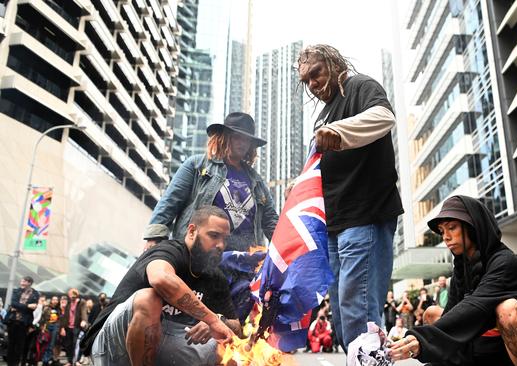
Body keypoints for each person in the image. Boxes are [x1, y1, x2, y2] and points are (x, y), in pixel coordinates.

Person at [297, 44, 403, 351]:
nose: (313, 84)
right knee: (344, 318)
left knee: (361, 312)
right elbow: (318, 166)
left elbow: (384, 117)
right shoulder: (323, 115)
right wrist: (300, 184)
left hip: (365, 216)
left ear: (334, 63)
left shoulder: (359, 86)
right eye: (306, 80)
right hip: (334, 225)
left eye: (315, 73)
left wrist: (339, 131)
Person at [388, 196, 517, 365]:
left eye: (452, 227)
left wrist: (422, 340)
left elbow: (475, 307)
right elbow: (452, 314)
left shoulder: (504, 261)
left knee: (507, 310)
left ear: (473, 227)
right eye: (442, 231)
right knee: (433, 313)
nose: (445, 237)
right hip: (493, 348)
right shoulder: (461, 267)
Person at [143, 112, 278, 322]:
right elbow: (170, 203)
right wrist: (155, 240)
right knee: (193, 321)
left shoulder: (257, 182)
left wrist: (288, 253)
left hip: (243, 266)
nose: (242, 143)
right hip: (201, 261)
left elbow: (272, 223)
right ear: (223, 136)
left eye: (246, 139)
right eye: (237, 136)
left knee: (234, 329)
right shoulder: (198, 166)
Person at [81, 206, 237, 365]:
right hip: (113, 346)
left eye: (225, 239)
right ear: (192, 231)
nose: (220, 245)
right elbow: (160, 278)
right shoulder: (170, 251)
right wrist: (212, 320)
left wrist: (219, 320)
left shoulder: (216, 277)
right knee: (149, 299)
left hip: (165, 345)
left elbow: (236, 326)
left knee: (229, 351)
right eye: (214, 236)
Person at [5, 276, 40, 366]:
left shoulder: (35, 294)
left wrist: (18, 307)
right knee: (11, 344)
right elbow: (13, 303)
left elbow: (33, 308)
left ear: (29, 283)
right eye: (21, 281)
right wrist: (27, 306)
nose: (21, 283)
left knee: (20, 345)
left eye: (24, 282)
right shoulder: (17, 291)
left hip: (24, 322)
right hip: (12, 320)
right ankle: (10, 363)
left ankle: (16, 363)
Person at [60, 288, 87, 366]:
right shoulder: (67, 303)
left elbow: (84, 312)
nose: (72, 297)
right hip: (67, 327)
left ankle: (77, 361)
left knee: (77, 344)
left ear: (77, 295)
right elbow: (63, 316)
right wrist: (62, 328)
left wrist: (84, 320)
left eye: (74, 296)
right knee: (68, 345)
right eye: (71, 295)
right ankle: (70, 361)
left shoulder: (81, 302)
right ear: (69, 295)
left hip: (77, 326)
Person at [41, 295, 61, 365]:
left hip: (55, 326)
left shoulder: (59, 309)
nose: (55, 301)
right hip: (48, 326)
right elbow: (43, 318)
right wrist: (42, 327)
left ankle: (46, 360)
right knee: (46, 344)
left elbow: (60, 318)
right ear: (51, 301)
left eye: (56, 300)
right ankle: (45, 360)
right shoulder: (47, 308)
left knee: (52, 344)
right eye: (53, 300)